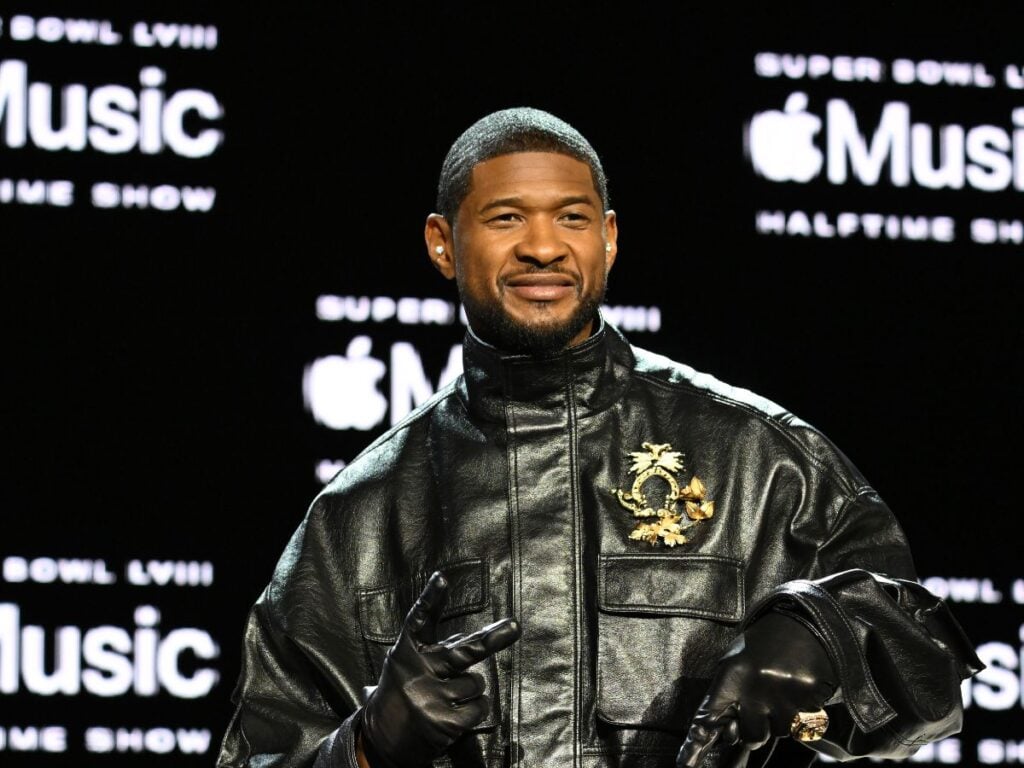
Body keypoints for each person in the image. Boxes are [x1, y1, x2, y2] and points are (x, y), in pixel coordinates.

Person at [218, 108, 981, 768]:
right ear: (443, 244)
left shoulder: (762, 457)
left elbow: (931, 674)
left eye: (572, 218)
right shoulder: (360, 513)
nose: (544, 247)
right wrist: (365, 746)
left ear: (609, 238)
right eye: (506, 217)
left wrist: (826, 639)